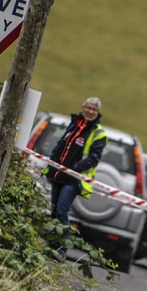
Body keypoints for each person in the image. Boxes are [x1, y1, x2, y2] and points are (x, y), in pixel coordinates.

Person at [46, 97, 108, 231]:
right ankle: (52, 247)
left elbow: (93, 159)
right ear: (83, 108)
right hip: (59, 173)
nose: (90, 112)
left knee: (62, 211)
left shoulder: (98, 133)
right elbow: (61, 144)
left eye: (94, 110)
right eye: (88, 108)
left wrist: (74, 169)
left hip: (74, 178)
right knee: (54, 211)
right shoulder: (74, 124)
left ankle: (61, 248)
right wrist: (52, 161)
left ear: (98, 113)